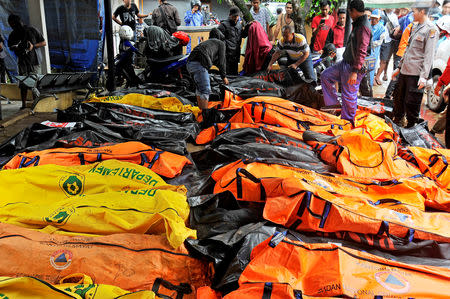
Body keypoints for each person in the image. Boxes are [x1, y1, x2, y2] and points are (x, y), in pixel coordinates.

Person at [321, 0, 371, 124]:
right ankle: (334, 105)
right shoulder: (358, 23)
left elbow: (362, 50)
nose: (350, 15)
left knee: (348, 96)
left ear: (353, 11)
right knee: (325, 76)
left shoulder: (363, 27)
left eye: (350, 12)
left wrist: (355, 71)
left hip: (353, 67)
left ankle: (347, 122)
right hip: (345, 63)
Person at [392, 1, 438, 128]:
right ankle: (398, 124)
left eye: (414, 11)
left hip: (416, 74)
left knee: (411, 103)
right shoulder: (415, 26)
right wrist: (399, 68)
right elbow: (408, 50)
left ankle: (411, 129)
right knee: (398, 99)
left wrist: (424, 77)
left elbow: (429, 55)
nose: (412, 14)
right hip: (405, 71)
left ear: (422, 11)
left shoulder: (431, 29)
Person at [7, 14, 46, 109]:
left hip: (34, 62)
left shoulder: (31, 30)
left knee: (35, 84)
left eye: (13, 24)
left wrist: (33, 46)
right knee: (23, 83)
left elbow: (43, 42)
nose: (12, 26)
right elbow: (10, 47)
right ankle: (24, 105)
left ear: (19, 22)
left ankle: (36, 105)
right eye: (11, 24)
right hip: (22, 62)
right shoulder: (13, 34)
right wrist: (15, 47)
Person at [186, 28, 229, 110]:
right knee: (205, 90)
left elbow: (215, 61)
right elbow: (222, 62)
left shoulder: (207, 43)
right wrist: (224, 77)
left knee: (200, 89)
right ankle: (204, 116)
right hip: (199, 65)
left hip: (189, 64)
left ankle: (200, 112)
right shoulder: (220, 43)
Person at [375, 9, 400, 84]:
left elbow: (397, 25)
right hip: (377, 39)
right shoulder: (380, 13)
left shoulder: (394, 16)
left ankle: (377, 76)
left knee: (384, 60)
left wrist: (397, 29)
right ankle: (373, 76)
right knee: (375, 59)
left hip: (387, 40)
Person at [218, 7, 242, 75]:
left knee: (234, 74)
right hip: (226, 56)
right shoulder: (223, 25)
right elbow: (218, 39)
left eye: (237, 16)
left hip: (236, 55)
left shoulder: (239, 25)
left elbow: (242, 35)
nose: (236, 18)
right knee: (226, 75)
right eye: (234, 16)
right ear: (230, 15)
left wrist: (248, 28)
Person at [369, 10, 386, 87]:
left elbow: (380, 41)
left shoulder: (382, 28)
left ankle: (370, 84)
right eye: (372, 18)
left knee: (371, 68)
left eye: (375, 18)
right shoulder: (368, 25)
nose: (373, 20)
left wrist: (370, 43)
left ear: (379, 18)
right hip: (365, 51)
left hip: (374, 51)